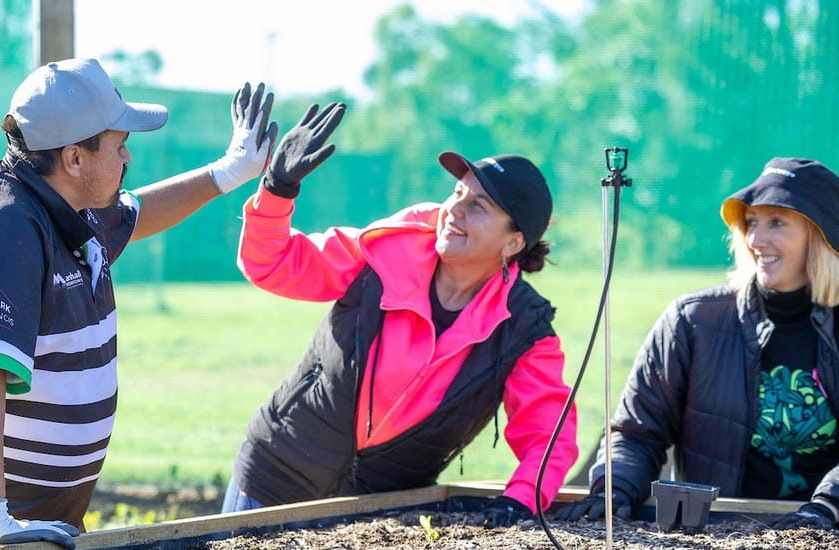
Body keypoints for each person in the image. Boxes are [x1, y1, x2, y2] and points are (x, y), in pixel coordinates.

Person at [0, 58, 278, 550]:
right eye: (119, 143)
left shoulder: (68, 203)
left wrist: (231, 171)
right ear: (74, 158)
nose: (128, 156)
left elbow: (139, 213)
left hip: (12, 520)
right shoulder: (7, 226)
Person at [220, 101, 579, 526]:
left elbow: (549, 436)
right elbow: (273, 263)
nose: (456, 211)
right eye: (457, 193)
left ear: (513, 243)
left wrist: (521, 500)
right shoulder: (385, 250)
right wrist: (278, 190)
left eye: (478, 206)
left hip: (379, 516)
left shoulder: (525, 330)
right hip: (273, 479)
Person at [557, 157, 839, 530]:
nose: (756, 239)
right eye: (751, 222)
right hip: (713, 532)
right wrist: (615, 490)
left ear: (821, 235)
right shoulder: (692, 320)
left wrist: (826, 509)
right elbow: (636, 432)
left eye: (777, 223)